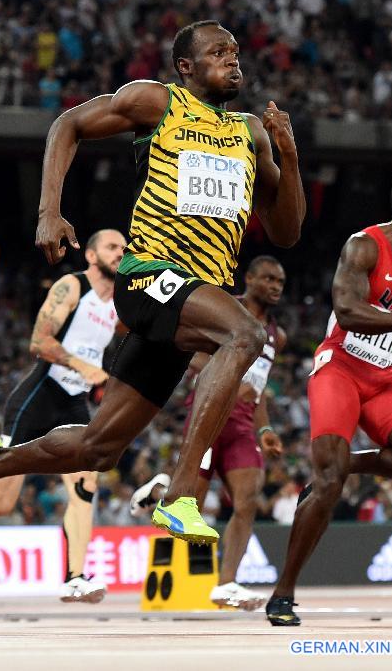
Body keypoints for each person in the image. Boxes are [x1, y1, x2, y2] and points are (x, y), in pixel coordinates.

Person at [0, 19, 305, 544]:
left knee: (99, 447)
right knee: (247, 335)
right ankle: (182, 495)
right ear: (186, 66)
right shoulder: (157, 103)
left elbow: (286, 231)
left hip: (192, 300)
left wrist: (289, 159)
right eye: (219, 52)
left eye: (235, 51)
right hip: (151, 276)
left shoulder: (251, 132)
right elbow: (67, 125)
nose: (234, 59)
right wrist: (50, 211)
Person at [266, 168, 392, 626]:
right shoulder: (365, 245)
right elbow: (346, 311)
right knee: (328, 486)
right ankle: (283, 592)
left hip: (384, 377)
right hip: (340, 369)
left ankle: (345, 462)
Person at [0, 228, 126, 603]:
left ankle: (76, 576)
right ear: (91, 255)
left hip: (74, 402)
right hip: (39, 395)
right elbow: (38, 342)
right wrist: (83, 366)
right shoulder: (71, 288)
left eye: (124, 247)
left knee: (86, 482)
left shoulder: (120, 304)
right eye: (112, 247)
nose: (120, 253)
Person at [131, 255, 287, 610]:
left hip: (244, 426)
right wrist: (230, 380)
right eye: (268, 279)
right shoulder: (226, 310)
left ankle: (226, 584)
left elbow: (258, 388)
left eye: (279, 282)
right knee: (192, 505)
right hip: (209, 416)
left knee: (247, 500)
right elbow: (192, 356)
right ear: (249, 278)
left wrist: (264, 428)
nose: (275, 287)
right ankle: (160, 491)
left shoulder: (277, 334)